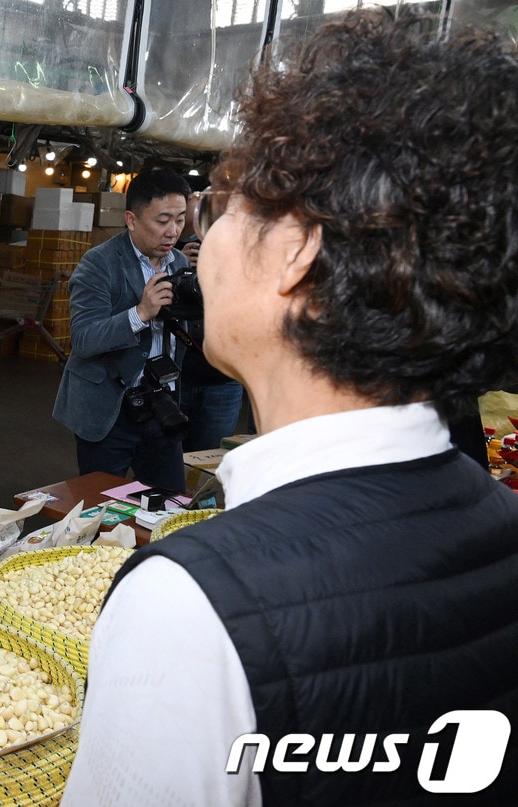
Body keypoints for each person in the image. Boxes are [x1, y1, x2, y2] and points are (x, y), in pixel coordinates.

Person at [63, 8, 518, 804]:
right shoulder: (497, 518)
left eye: (230, 205)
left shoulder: (185, 608)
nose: (204, 236)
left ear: (297, 251)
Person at [52, 167, 193, 490]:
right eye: (162, 220)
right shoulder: (98, 264)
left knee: (168, 506)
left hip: (162, 406)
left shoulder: (180, 265)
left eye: (181, 219)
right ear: (131, 220)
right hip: (108, 411)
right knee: (102, 508)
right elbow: (84, 339)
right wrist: (140, 313)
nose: (173, 231)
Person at [175, 193, 247, 452]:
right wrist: (178, 261)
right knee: (166, 461)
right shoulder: (173, 253)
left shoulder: (244, 256)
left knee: (206, 461)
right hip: (176, 376)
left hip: (222, 381)